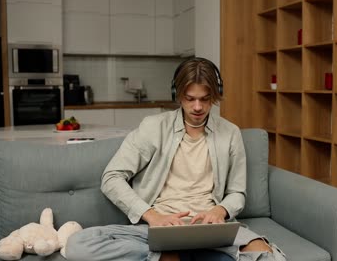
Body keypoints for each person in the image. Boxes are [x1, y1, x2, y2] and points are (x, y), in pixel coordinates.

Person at [65, 57, 286, 261]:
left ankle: (175, 256)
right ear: (177, 94)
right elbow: (111, 178)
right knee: (79, 244)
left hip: (211, 230)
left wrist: (219, 211)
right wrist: (152, 216)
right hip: (158, 227)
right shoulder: (153, 127)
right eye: (190, 99)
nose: (197, 107)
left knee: (270, 256)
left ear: (215, 95)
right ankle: (166, 256)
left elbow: (237, 192)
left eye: (205, 99)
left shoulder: (230, 133)